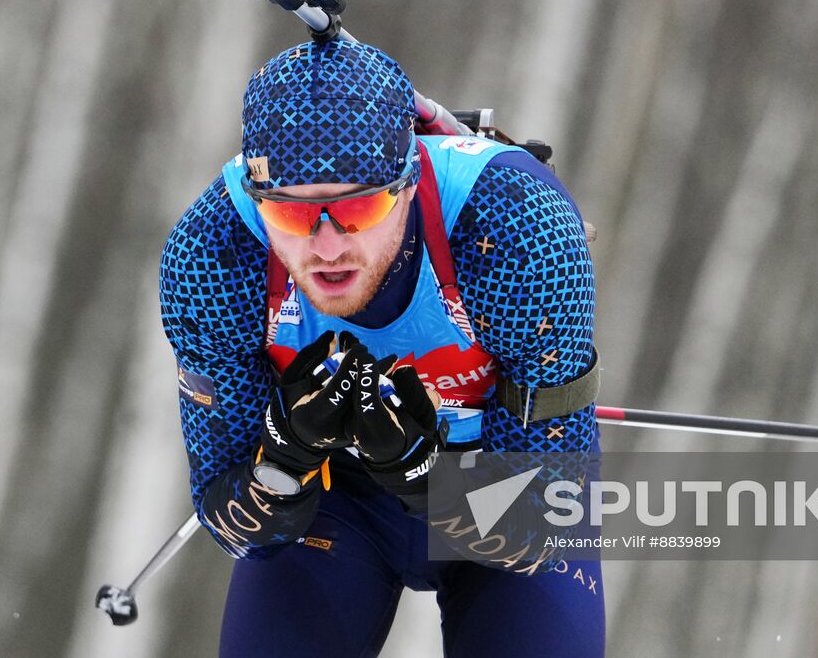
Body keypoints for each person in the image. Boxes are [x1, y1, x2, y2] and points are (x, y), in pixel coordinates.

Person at [160, 38, 604, 657]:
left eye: (358, 207)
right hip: (333, 505)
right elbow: (232, 523)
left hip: (499, 478)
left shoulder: (514, 224)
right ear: (257, 200)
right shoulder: (216, 253)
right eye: (291, 217)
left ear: (409, 178)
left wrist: (426, 484)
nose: (328, 247)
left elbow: (544, 518)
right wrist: (284, 459)